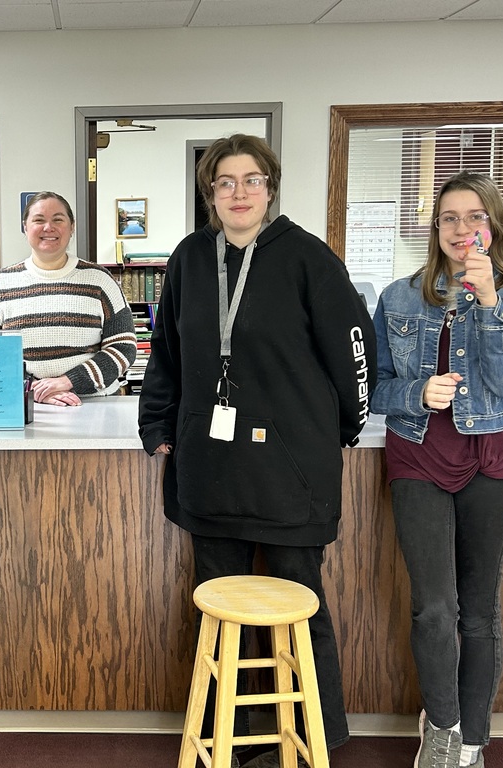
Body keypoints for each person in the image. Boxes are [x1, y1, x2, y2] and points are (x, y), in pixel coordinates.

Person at [137, 134, 376, 768]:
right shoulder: (189, 258)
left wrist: (344, 430)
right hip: (211, 468)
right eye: (224, 182)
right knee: (220, 609)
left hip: (293, 472)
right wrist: (157, 423)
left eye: (250, 180)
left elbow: (357, 354)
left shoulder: (308, 259)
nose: (238, 193)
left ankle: (313, 739)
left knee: (301, 606)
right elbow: (166, 351)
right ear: (209, 192)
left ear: (270, 188)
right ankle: (231, 742)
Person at [370, 171, 503, 768]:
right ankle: (441, 729)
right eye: (449, 218)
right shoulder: (397, 296)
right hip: (418, 454)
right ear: (435, 228)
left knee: (480, 609)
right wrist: (418, 393)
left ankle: (474, 734)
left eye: (474, 218)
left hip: (492, 460)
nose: (461, 229)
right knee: (434, 606)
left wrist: (491, 304)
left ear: (492, 226)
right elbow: (375, 390)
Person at [0, 191, 137, 405]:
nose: (48, 228)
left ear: (72, 227)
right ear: (25, 227)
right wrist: (35, 391)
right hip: (22, 405)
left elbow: (123, 347)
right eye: (39, 220)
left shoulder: (101, 281)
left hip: (95, 404)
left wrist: (68, 382)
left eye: (58, 219)